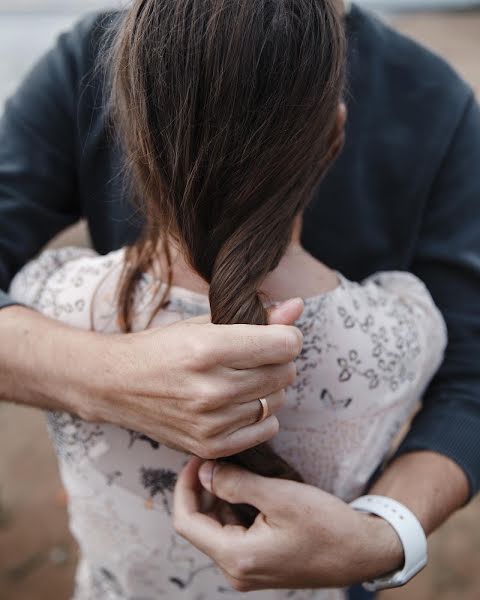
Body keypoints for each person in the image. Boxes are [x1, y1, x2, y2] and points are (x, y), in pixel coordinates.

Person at [0, 0, 478, 598]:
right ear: (335, 133)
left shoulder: (52, 291)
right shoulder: (405, 328)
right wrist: (102, 378)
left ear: (129, 127)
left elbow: (474, 381)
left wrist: (388, 533)